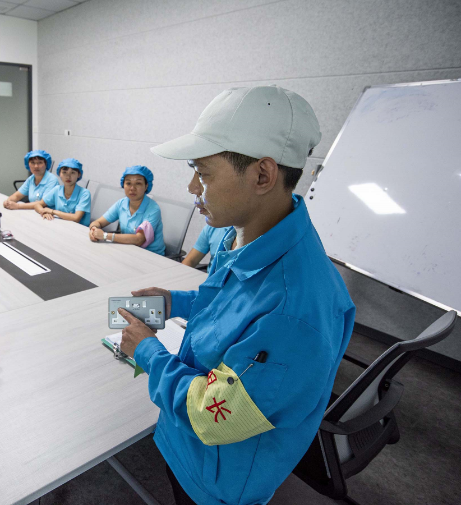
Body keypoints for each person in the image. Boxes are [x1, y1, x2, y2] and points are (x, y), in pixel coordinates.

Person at [116, 85, 355, 505]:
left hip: (216, 480)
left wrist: (148, 352)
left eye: (204, 173)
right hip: (186, 444)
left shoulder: (294, 310)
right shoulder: (248, 237)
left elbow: (215, 416)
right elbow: (231, 308)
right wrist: (176, 302)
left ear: (262, 175)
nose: (192, 186)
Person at [88, 165, 165, 255]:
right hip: (128, 250)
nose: (132, 188)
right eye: (128, 183)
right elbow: (98, 222)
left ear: (146, 186)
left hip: (151, 255)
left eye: (138, 183)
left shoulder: (153, 209)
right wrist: (93, 229)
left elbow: (139, 239)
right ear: (123, 185)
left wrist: (105, 236)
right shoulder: (122, 203)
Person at [34, 158, 91, 225]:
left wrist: (53, 211)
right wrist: (44, 212)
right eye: (64, 172)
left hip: (78, 229)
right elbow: (37, 204)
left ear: (78, 175)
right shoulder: (57, 189)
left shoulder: (85, 193)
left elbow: (76, 218)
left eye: (72, 173)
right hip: (61, 225)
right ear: (59, 174)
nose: (68, 177)